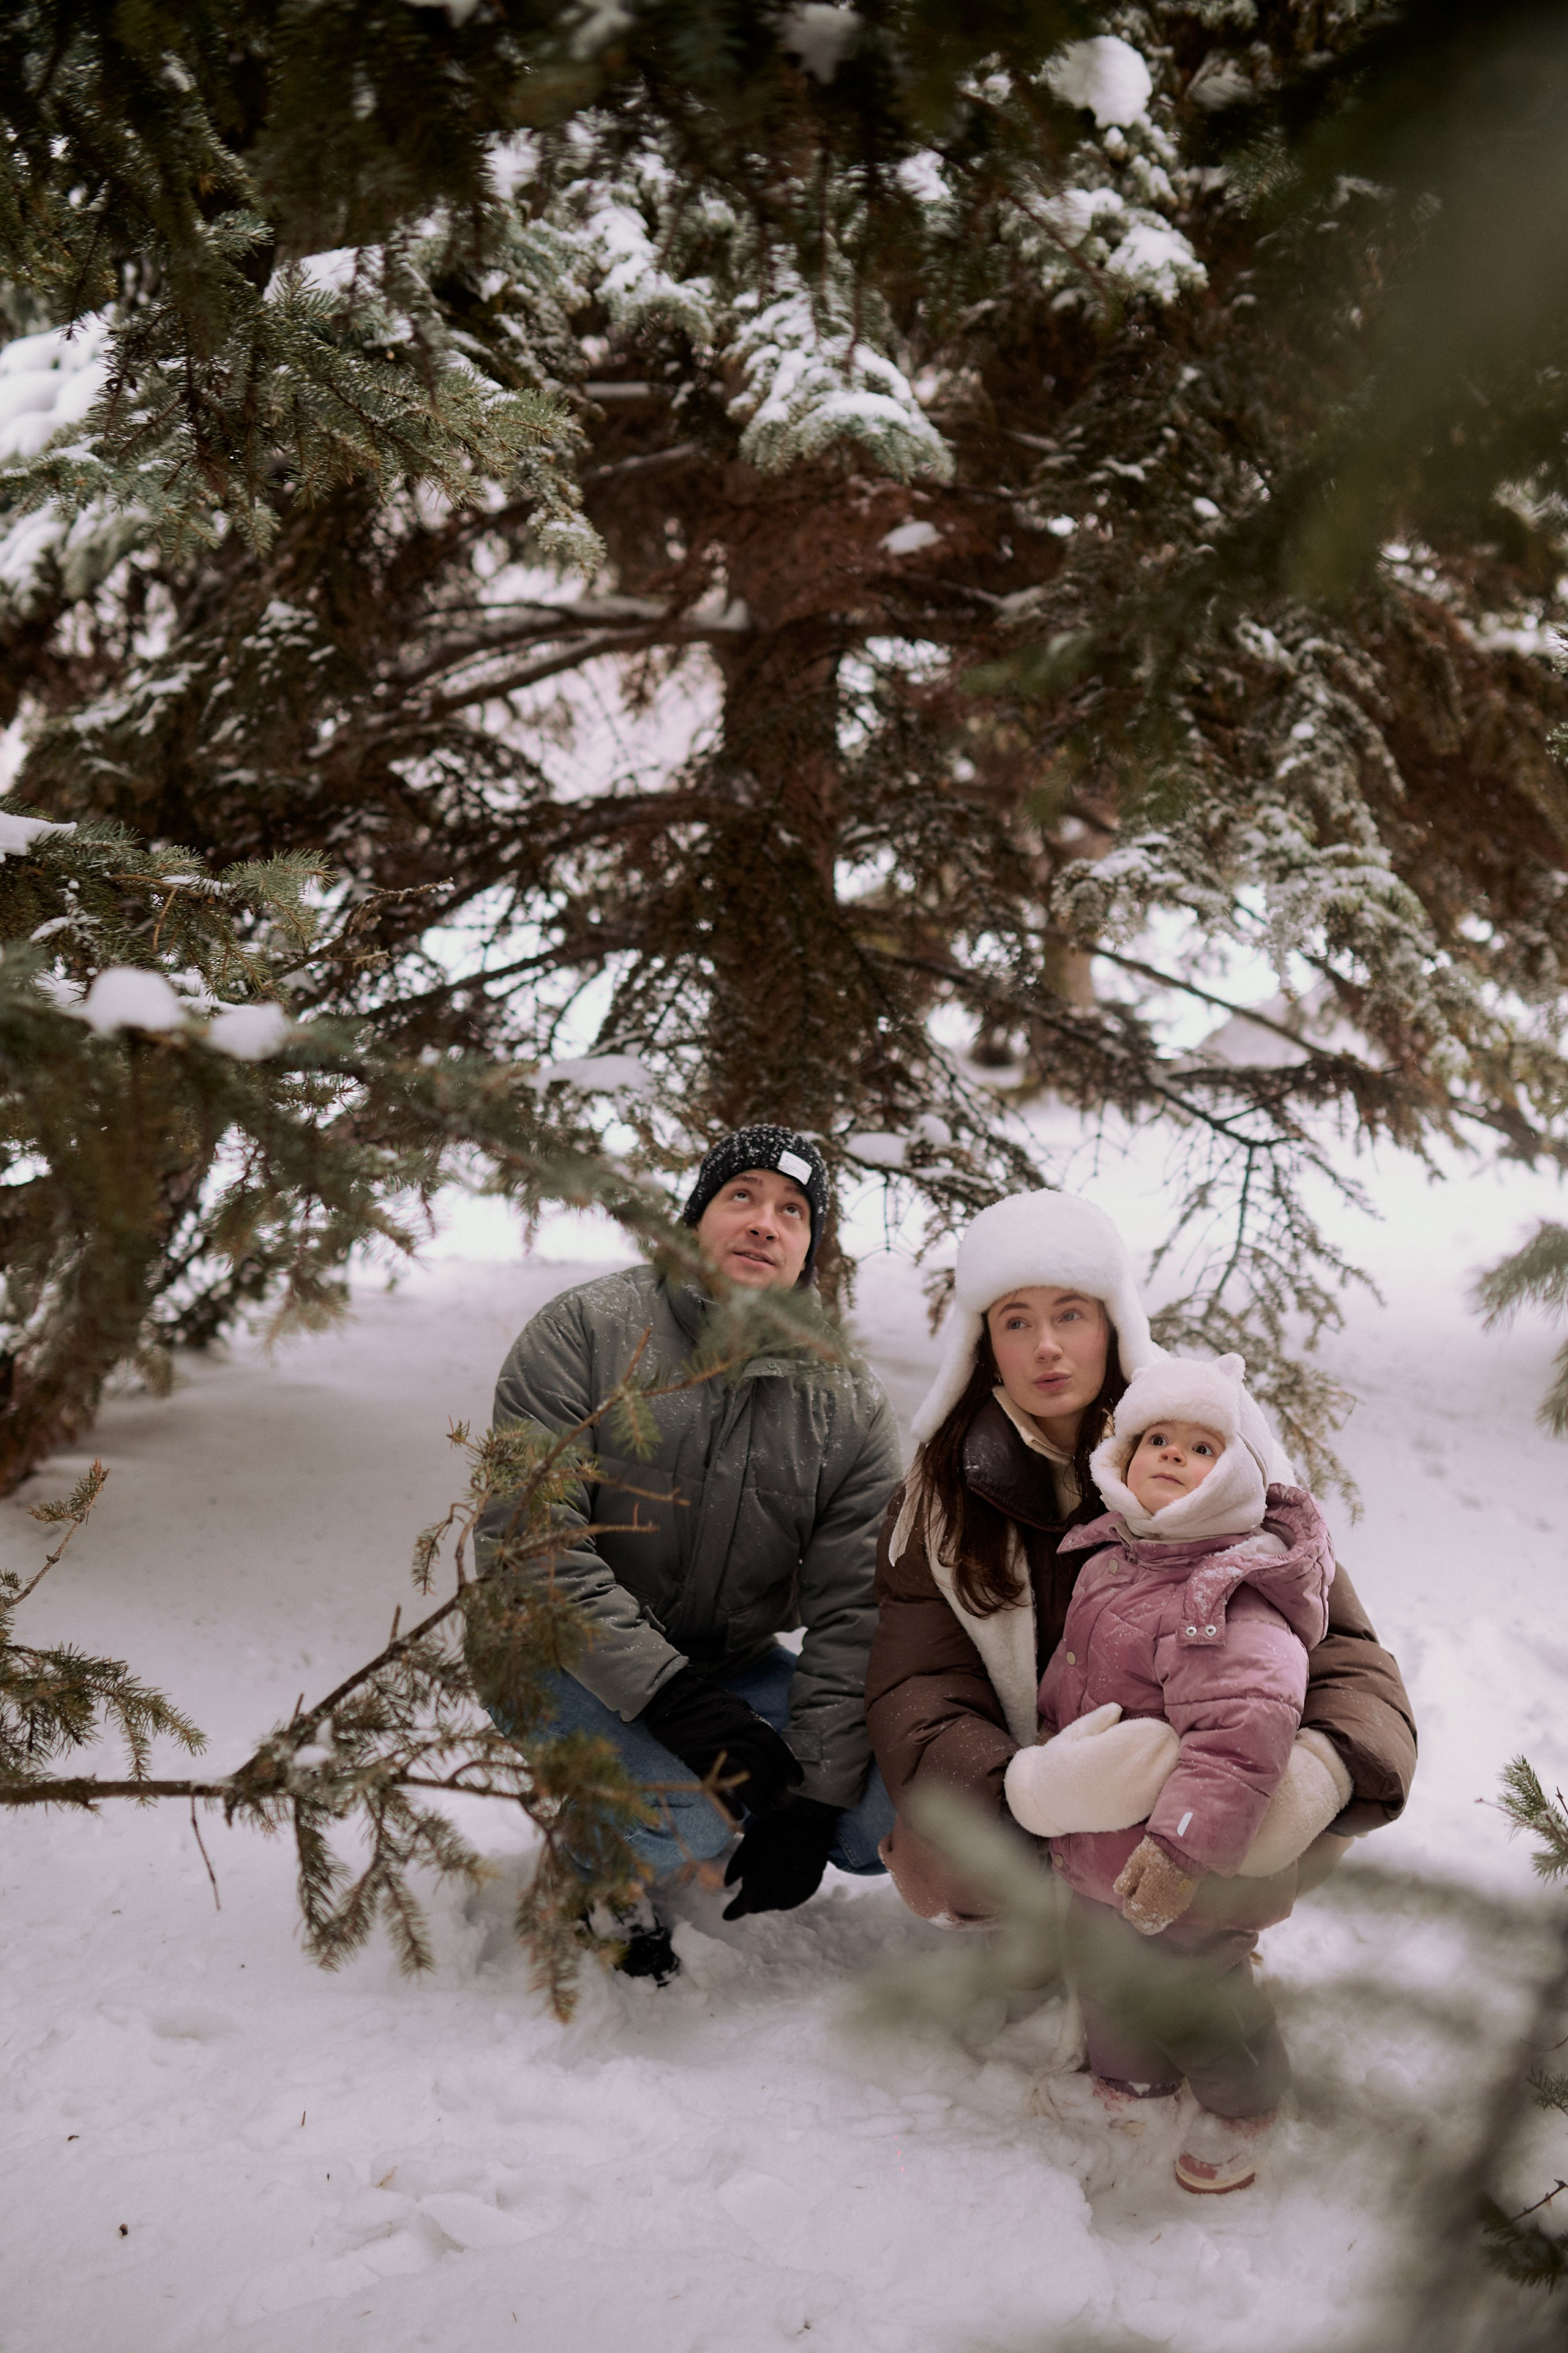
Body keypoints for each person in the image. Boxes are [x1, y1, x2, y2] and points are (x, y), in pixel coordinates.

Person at [865, 1186, 1416, 1969]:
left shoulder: (1209, 1450)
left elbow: (1343, 1648)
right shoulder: (939, 1498)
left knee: (1264, 1825)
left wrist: (1321, 1774)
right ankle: (1057, 1914)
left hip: (1206, 1769)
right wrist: (1028, 1787)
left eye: (1070, 1314)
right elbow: (918, 1685)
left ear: (1113, 1322)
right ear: (984, 1343)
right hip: (1047, 1770)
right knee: (939, 1853)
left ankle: (1203, 1935)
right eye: (1016, 1321)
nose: (1047, 1346)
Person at [472, 1125, 903, 1981]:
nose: (764, 1222)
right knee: (692, 1811)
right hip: (553, 1652)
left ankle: (687, 1803)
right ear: (695, 1218)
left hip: (729, 1665)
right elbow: (530, 1544)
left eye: (793, 1210)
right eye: (741, 1196)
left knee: (881, 1816)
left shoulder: (846, 1402)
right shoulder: (587, 1331)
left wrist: (811, 1798)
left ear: (809, 1252)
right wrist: (678, 1705)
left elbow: (856, 1610)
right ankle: (600, 1867)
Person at [1005, 1350, 1343, 2194]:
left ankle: (1247, 2106)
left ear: (1237, 1474)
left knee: (1198, 1998)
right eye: (1157, 1439)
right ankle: (1134, 2085)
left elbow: (1242, 1732)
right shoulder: (1110, 1560)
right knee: (1108, 1976)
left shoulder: (1224, 1592)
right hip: (1102, 1850)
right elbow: (1071, 1679)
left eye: (1201, 1448)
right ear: (1121, 1456)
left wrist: (1182, 1849)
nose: (1172, 1456)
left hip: (1190, 1868)